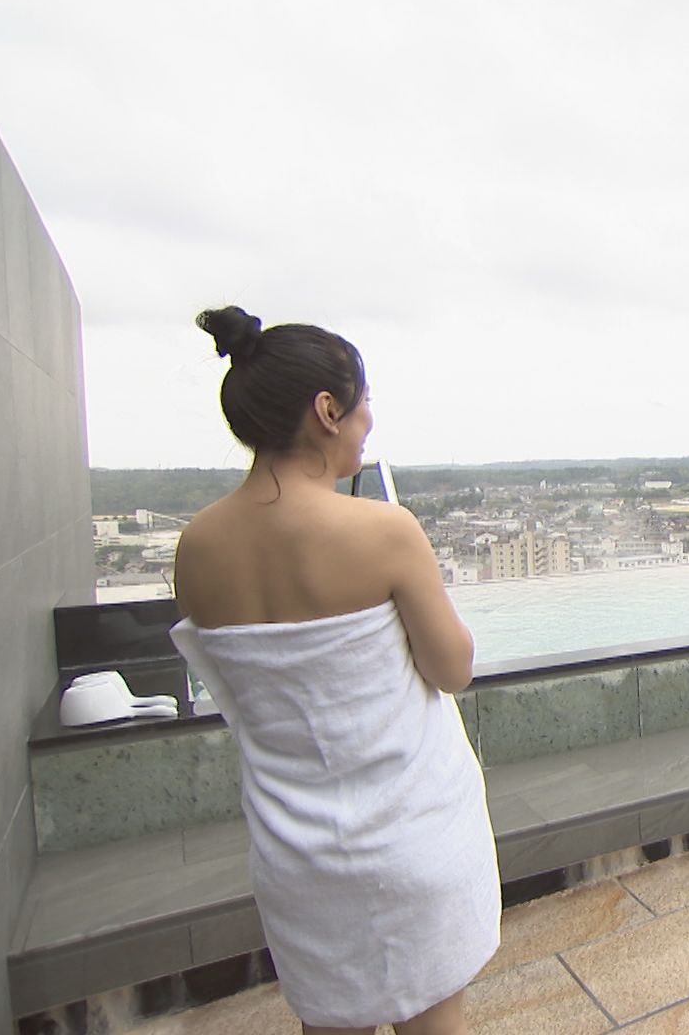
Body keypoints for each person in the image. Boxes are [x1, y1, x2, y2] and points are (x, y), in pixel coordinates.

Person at [169, 306, 498, 1035]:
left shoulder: (196, 548)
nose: (368, 419)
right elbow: (452, 668)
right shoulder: (383, 529)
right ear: (326, 411)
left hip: (296, 853)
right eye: (363, 401)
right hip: (411, 833)